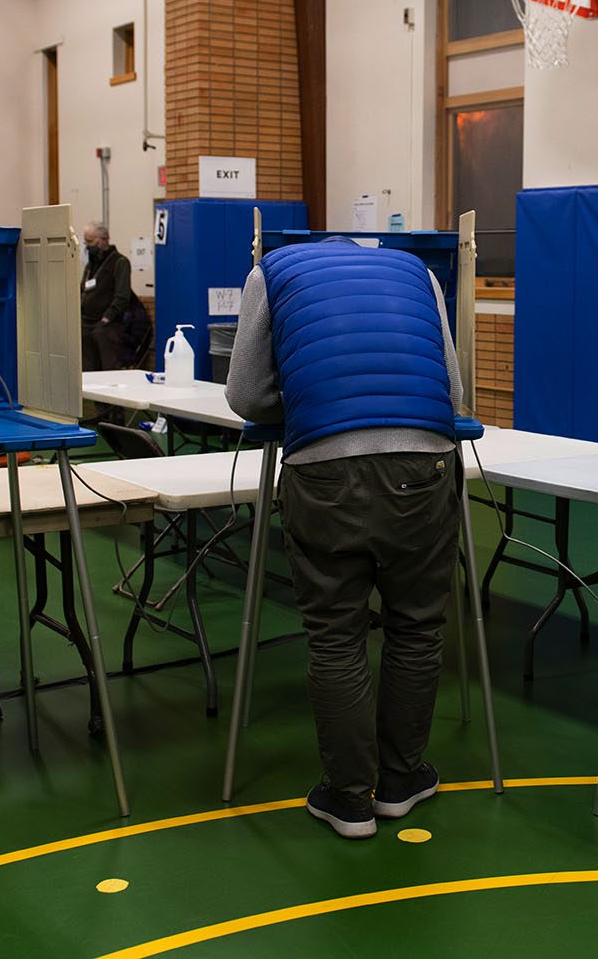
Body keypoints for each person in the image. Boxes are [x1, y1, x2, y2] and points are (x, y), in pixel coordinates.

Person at [225, 238, 462, 840]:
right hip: (425, 463)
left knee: (335, 636)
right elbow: (452, 394)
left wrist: (313, 398)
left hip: (325, 468)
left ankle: (350, 799)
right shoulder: (418, 271)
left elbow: (246, 396)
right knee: (416, 625)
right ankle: (404, 779)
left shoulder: (270, 271)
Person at [81, 221, 134, 371]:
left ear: (103, 240)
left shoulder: (120, 262)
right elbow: (82, 289)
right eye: (86, 241)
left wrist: (107, 317)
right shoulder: (90, 265)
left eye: (90, 241)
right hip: (87, 322)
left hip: (108, 324)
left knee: (109, 367)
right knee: (86, 366)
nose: (87, 245)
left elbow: (123, 295)